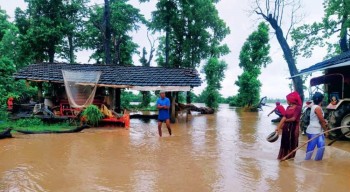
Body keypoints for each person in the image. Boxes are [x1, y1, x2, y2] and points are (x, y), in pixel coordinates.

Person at [275, 91, 302, 160]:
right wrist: (278, 127)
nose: (287, 101)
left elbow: (293, 119)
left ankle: (290, 158)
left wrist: (285, 120)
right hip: (286, 128)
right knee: (285, 142)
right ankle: (283, 157)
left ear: (291, 100)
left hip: (293, 128)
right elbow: (284, 117)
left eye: (287, 100)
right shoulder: (287, 107)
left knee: (292, 142)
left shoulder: (298, 108)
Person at [305, 92, 328, 161]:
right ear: (321, 100)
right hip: (314, 131)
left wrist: (324, 121)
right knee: (311, 148)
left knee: (321, 146)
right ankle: (307, 161)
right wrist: (326, 131)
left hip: (317, 130)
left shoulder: (314, 107)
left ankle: (317, 163)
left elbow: (319, 119)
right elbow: (321, 121)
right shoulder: (317, 108)